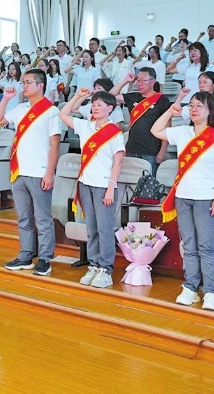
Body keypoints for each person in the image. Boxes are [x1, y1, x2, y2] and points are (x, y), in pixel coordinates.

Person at [151, 91, 214, 311]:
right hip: (183, 196)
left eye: (200, 106)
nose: (194, 109)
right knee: (189, 245)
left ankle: (211, 292)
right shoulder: (182, 132)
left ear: (210, 110)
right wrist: (170, 110)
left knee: (206, 246)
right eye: (192, 106)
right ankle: (190, 286)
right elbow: (155, 130)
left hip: (207, 197)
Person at [0, 68, 62, 277]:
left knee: (42, 218)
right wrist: (5, 99)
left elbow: (55, 145)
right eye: (23, 82)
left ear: (40, 85)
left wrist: (50, 172)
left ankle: (44, 258)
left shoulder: (51, 111)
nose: (24, 86)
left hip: (40, 171)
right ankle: (25, 255)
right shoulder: (20, 108)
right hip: (19, 171)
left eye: (28, 82)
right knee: (24, 218)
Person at [58, 88, 125, 289]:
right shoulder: (86, 126)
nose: (95, 108)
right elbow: (63, 114)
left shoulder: (114, 132)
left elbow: (118, 162)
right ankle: (94, 264)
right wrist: (79, 96)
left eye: (100, 105)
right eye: (93, 104)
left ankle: (106, 268)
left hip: (104, 185)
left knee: (105, 229)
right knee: (92, 227)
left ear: (110, 109)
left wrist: (111, 187)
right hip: (85, 183)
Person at [113, 68, 171, 174]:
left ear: (153, 81)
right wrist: (126, 81)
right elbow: (110, 96)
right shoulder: (133, 97)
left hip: (151, 150)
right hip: (132, 147)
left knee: (148, 185)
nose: (139, 83)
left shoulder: (162, 99)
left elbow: (166, 127)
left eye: (143, 80)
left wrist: (163, 150)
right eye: (138, 80)